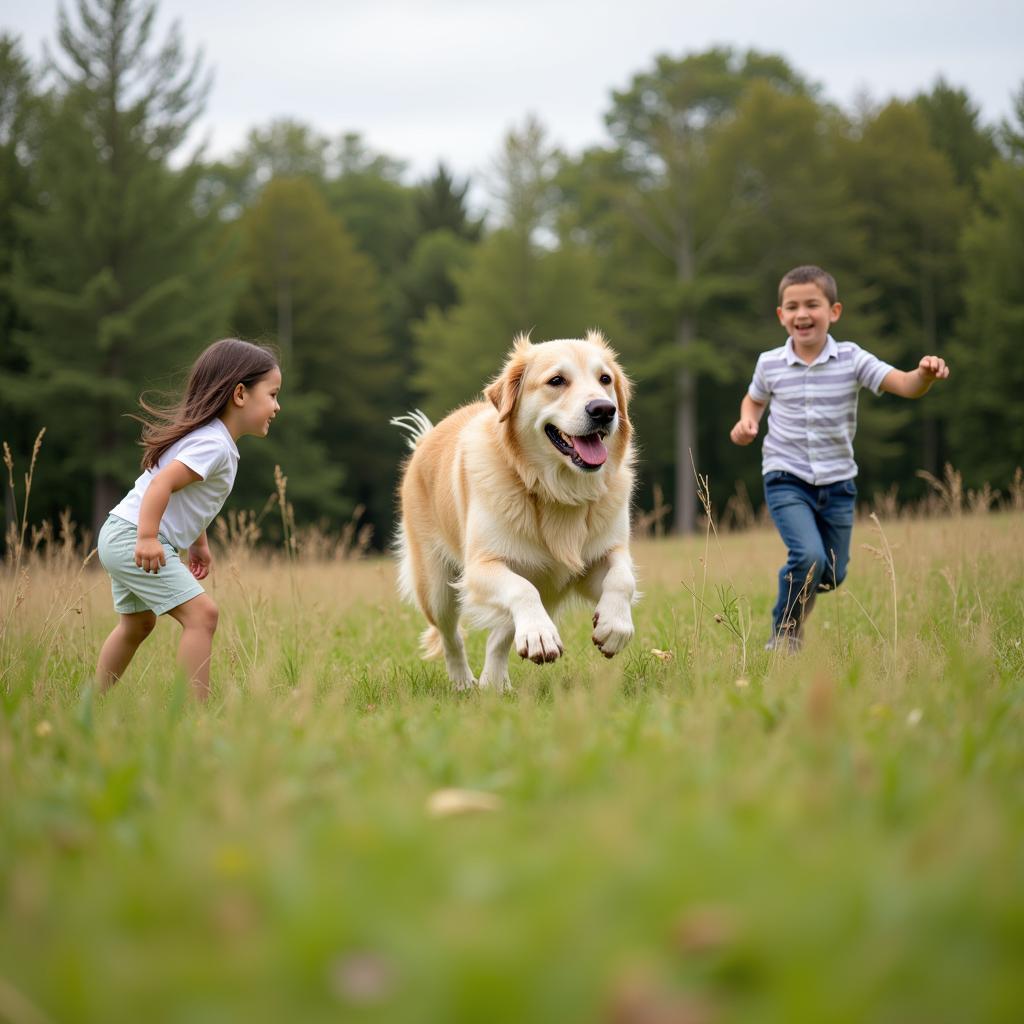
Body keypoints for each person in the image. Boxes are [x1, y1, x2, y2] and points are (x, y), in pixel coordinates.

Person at [729, 265, 949, 650]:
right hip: (785, 477)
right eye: (792, 306)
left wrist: (924, 375)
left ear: (834, 311)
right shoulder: (770, 363)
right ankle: (784, 635)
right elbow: (754, 399)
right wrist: (747, 422)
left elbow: (903, 384)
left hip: (838, 483)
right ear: (781, 316)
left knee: (830, 573)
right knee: (809, 557)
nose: (802, 314)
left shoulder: (851, 358)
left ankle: (794, 585)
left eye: (812, 304)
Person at [95, 338, 282, 698]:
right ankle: (192, 712)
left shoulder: (211, 440)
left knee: (137, 624)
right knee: (203, 615)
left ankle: (92, 701)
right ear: (240, 394)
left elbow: (188, 500)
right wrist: (148, 538)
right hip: (134, 535)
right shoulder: (212, 444)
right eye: (272, 394)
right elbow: (162, 484)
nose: (277, 405)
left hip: (122, 532)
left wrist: (198, 543)